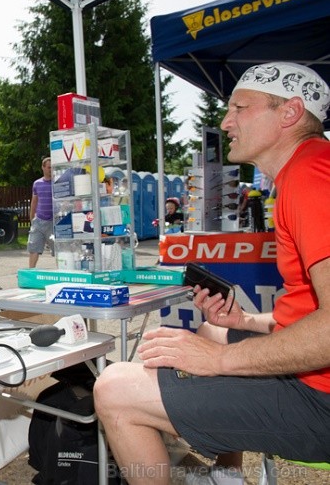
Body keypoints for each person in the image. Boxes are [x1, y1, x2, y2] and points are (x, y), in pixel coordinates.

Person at [94, 62, 330, 485]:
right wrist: (244, 323)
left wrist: (220, 360)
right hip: (315, 377)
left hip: (321, 399)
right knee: (210, 331)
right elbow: (310, 307)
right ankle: (227, 477)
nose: (226, 121)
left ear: (289, 113)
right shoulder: (307, 169)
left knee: (114, 388)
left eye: (240, 107)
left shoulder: (313, 179)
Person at [27, 156, 53, 268]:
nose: (51, 170)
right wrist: (32, 218)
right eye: (48, 167)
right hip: (39, 221)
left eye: (52, 168)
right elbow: (34, 201)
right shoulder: (37, 183)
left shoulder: (57, 183)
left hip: (53, 222)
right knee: (34, 248)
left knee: (59, 250)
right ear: (43, 168)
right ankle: (30, 272)